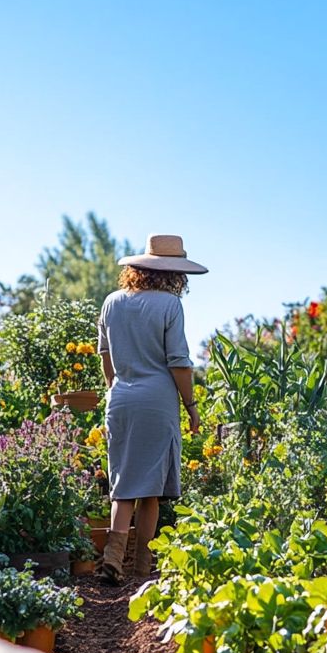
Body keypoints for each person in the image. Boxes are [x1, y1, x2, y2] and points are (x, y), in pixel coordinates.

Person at [95, 234, 207, 584]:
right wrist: (191, 407)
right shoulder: (170, 306)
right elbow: (179, 363)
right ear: (174, 273)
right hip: (157, 403)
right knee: (152, 490)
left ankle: (112, 559)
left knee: (124, 483)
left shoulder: (112, 302)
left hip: (121, 400)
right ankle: (143, 571)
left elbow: (105, 356)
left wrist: (117, 388)